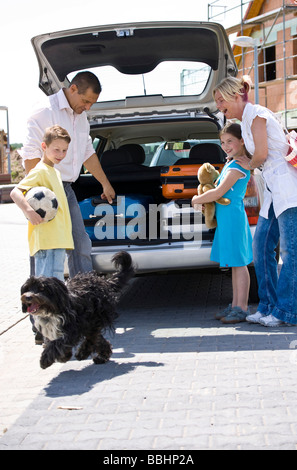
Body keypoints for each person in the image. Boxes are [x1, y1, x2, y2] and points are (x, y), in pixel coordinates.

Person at [213, 76, 297, 327]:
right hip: (272, 192)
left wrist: (244, 166)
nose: (219, 106)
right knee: (260, 249)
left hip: (287, 189)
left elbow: (260, 154)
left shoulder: (257, 115)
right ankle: (267, 306)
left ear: (236, 95)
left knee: (290, 252)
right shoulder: (246, 121)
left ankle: (286, 312)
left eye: (221, 100)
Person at [20, 71, 115, 278]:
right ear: (72, 89)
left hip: (66, 190)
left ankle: (84, 295)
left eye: (92, 103)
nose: (88, 107)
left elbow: (88, 153)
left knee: (80, 242)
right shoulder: (45, 110)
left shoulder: (81, 118)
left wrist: (105, 184)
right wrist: (38, 195)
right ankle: (38, 304)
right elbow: (29, 155)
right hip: (44, 190)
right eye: (85, 101)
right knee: (43, 248)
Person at [11, 125, 74, 344]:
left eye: (65, 151)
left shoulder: (54, 172)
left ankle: (50, 334)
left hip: (57, 240)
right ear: (44, 147)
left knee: (54, 289)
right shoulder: (39, 171)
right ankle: (46, 335)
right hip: (46, 242)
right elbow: (15, 191)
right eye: (56, 150)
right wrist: (29, 210)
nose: (61, 155)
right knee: (44, 293)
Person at [192, 122, 253, 323]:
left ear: (242, 141)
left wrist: (196, 199)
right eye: (222, 142)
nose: (226, 146)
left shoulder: (238, 167)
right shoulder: (231, 163)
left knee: (240, 264)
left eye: (230, 141)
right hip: (227, 220)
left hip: (234, 219)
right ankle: (236, 305)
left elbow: (219, 192)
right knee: (234, 264)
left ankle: (242, 307)